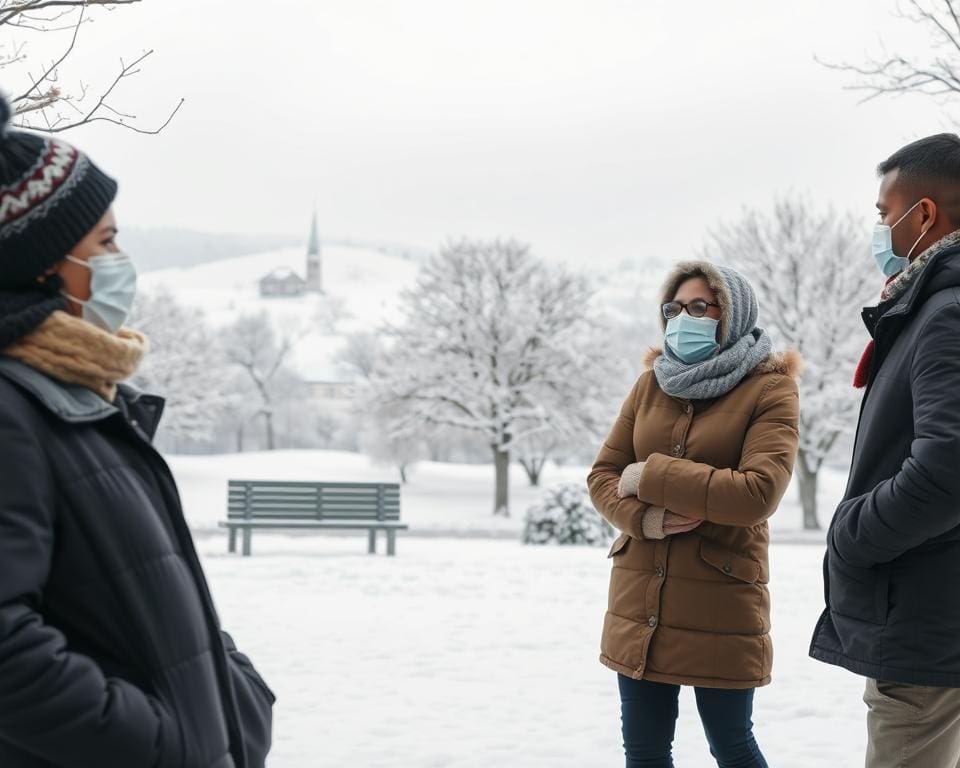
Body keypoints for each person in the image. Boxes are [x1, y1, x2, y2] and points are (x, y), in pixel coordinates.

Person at [0, 96, 274, 767]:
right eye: (105, 241)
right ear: (42, 264)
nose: (121, 259)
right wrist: (163, 742)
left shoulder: (83, 400)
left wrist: (233, 699)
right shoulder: (13, 413)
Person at [588, 260, 801, 768]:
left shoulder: (769, 389)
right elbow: (603, 477)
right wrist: (645, 520)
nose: (685, 318)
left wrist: (650, 475)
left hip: (721, 602)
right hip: (641, 601)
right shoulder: (649, 385)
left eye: (700, 307)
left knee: (732, 747)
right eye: (675, 308)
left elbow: (757, 493)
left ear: (732, 313)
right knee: (644, 753)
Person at [810, 133, 960, 768]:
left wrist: (851, 534)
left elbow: (948, 470)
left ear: (923, 215)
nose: (879, 228)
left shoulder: (946, 314)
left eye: (883, 212)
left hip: (930, 624)